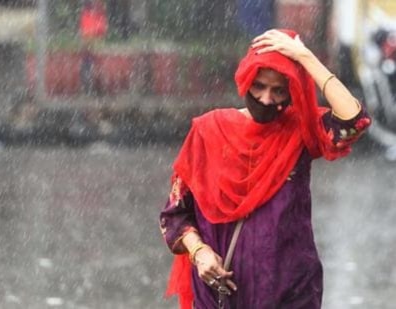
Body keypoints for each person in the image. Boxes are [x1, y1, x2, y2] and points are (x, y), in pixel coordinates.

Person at [159, 29, 371, 309]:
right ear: (246, 79)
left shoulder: (301, 132)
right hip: (220, 294)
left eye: (278, 90)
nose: (267, 98)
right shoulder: (208, 131)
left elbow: (354, 121)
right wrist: (199, 253)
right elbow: (175, 214)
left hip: (289, 291)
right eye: (259, 86)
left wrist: (304, 57)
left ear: (292, 90)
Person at [79, 0, 108, 94]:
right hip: (90, 42)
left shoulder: (96, 14)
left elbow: (101, 30)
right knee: (88, 59)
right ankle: (89, 85)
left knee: (89, 59)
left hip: (92, 41)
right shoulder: (90, 14)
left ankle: (90, 85)